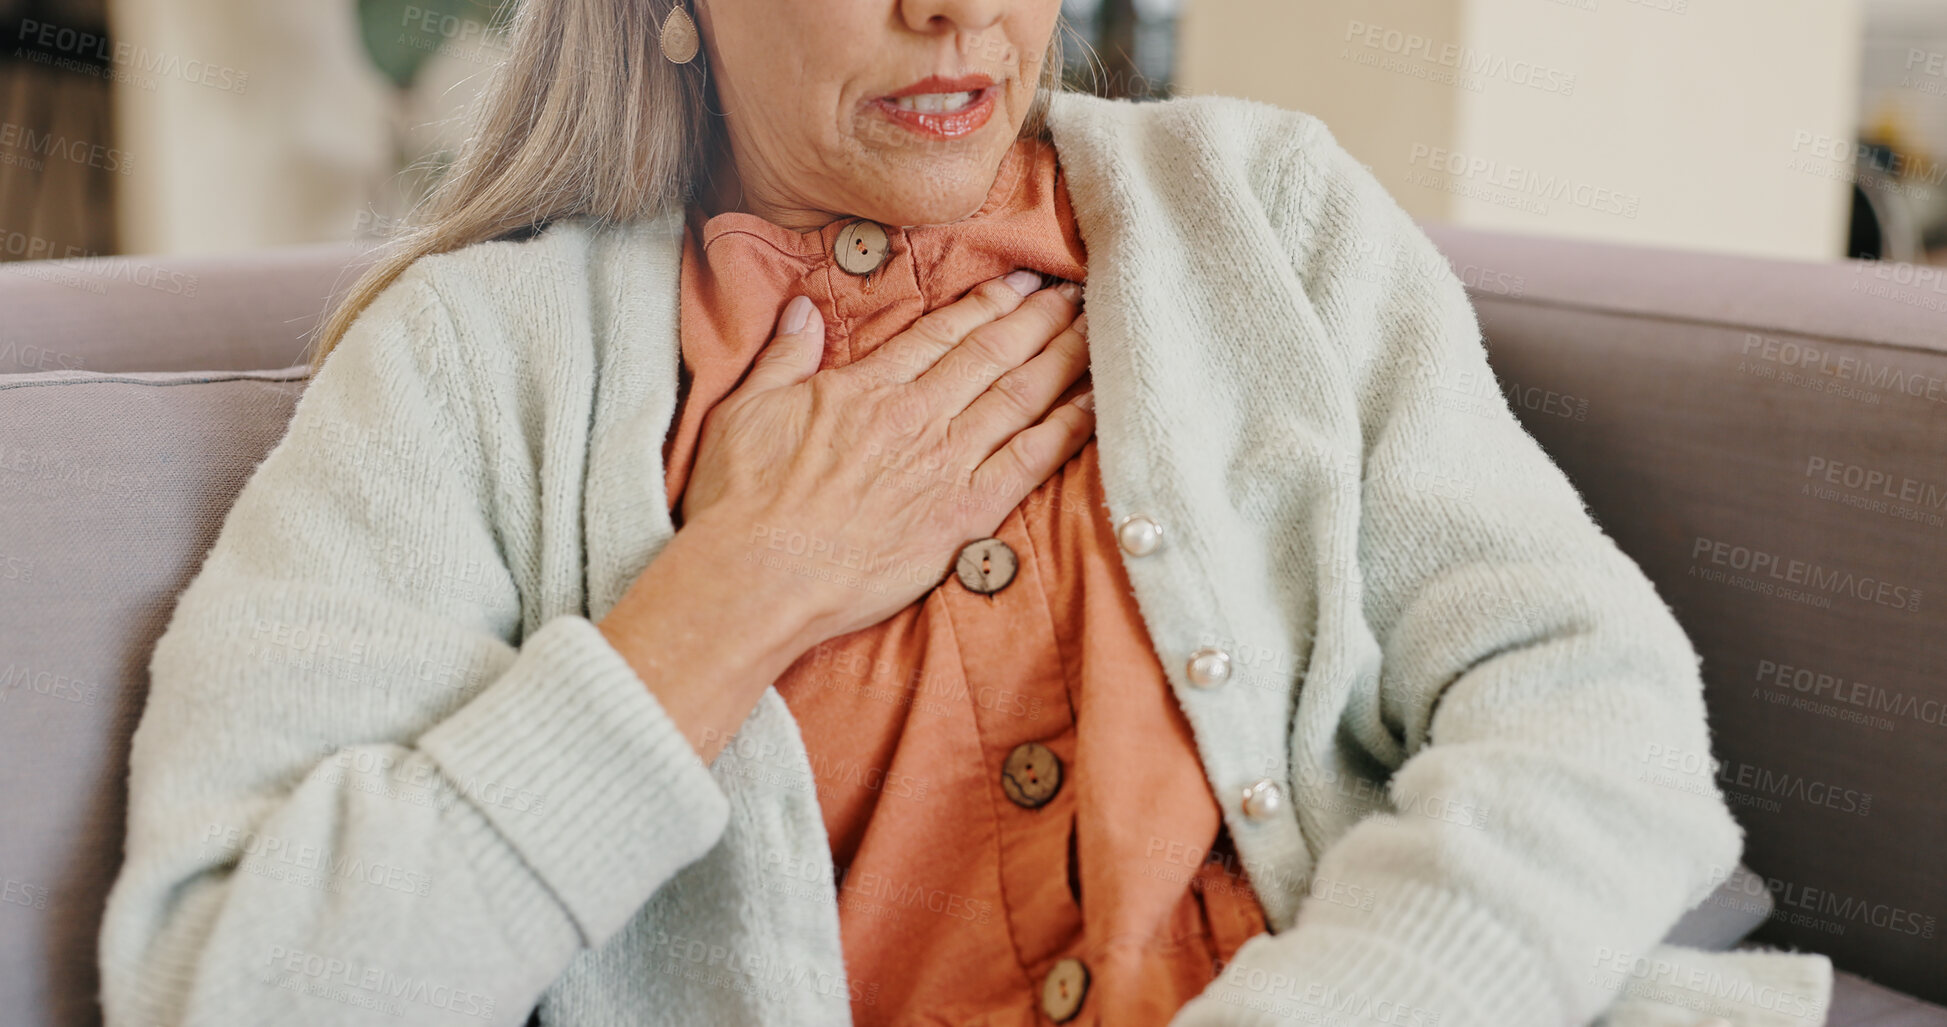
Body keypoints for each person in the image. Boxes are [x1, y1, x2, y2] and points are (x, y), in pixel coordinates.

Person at [97, 0, 1835, 1025]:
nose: (955, 5)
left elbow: (1596, 724)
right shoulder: (471, 374)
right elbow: (231, 982)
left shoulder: (1260, 215)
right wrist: (729, 599)